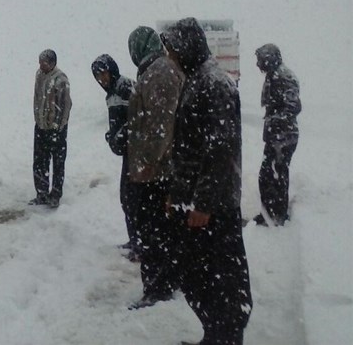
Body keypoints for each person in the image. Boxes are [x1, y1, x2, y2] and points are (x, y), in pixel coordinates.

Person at [161, 18, 252, 345]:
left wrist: (203, 203)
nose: (169, 56)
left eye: (171, 49)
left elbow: (219, 151)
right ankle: (214, 335)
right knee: (196, 276)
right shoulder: (197, 78)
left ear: (186, 47)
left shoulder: (214, 83)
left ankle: (225, 337)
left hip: (214, 207)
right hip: (195, 201)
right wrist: (177, 193)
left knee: (221, 281)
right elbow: (188, 148)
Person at [125, 26, 184, 309]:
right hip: (160, 169)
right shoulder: (157, 70)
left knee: (154, 231)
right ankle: (165, 281)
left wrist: (147, 162)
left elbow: (161, 124)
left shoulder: (159, 73)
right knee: (160, 230)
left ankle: (158, 288)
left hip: (157, 172)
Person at [91, 54, 137, 253]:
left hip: (137, 153)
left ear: (111, 70)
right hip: (128, 152)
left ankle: (140, 243)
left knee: (133, 199)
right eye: (97, 76)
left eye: (103, 74)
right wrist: (112, 135)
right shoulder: (111, 94)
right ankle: (134, 239)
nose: (101, 79)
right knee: (126, 198)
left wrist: (120, 136)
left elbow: (138, 118)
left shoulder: (124, 87)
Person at [253, 43, 301, 226]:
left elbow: (293, 106)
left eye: (260, 61)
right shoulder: (274, 75)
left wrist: (275, 123)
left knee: (274, 175)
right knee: (271, 175)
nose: (258, 65)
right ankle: (271, 212)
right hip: (277, 136)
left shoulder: (284, 77)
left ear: (269, 59)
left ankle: (276, 214)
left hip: (283, 137)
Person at [30, 49, 72, 208]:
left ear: (53, 63)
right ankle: (41, 193)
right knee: (39, 161)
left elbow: (66, 105)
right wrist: (38, 119)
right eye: (40, 62)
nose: (41, 65)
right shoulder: (39, 75)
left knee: (58, 163)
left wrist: (58, 126)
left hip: (56, 130)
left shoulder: (61, 80)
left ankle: (55, 195)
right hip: (40, 126)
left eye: (44, 62)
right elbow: (36, 97)